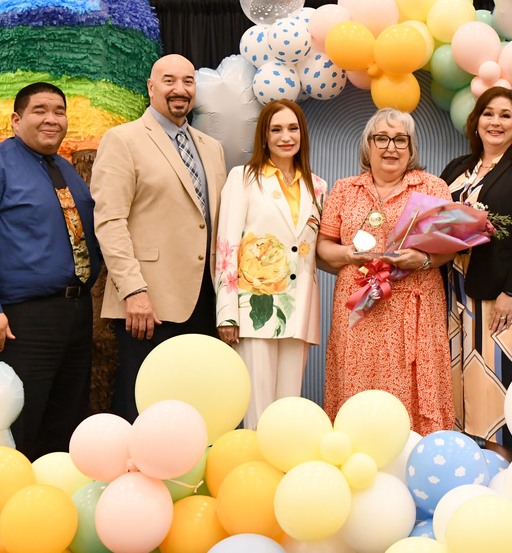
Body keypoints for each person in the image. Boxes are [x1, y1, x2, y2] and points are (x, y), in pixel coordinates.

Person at [0, 82, 102, 459]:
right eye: (40, 110)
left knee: (64, 428)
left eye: (59, 111)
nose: (52, 119)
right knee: (17, 429)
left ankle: (51, 509)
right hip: (15, 319)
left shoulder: (65, 170)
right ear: (16, 120)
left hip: (72, 315)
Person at [91, 54, 227, 421]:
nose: (179, 90)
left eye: (188, 81)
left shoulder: (210, 147)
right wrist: (134, 291)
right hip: (149, 304)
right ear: (150, 87)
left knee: (199, 409)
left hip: (205, 301)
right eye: (169, 80)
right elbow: (109, 221)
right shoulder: (122, 140)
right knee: (144, 409)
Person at [316, 108, 455, 434]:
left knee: (411, 383)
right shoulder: (345, 189)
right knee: (359, 382)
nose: (391, 148)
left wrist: (419, 260)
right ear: (368, 146)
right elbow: (323, 247)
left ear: (411, 148)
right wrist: (348, 255)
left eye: (400, 140)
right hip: (359, 308)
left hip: (414, 305)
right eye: (382, 138)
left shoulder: (432, 188)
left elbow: (450, 249)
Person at [439, 86, 512, 447]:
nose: (496, 122)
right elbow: (434, 221)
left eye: (506, 115)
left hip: (502, 295)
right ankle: (467, 456)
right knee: (460, 380)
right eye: (489, 113)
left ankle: (507, 462)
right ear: (476, 121)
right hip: (456, 291)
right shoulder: (458, 168)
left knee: (499, 384)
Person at [214, 99, 326, 429]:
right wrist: (227, 312)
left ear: (302, 134)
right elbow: (227, 247)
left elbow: (310, 249)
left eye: (292, 128)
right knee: (257, 410)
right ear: (264, 136)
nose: (285, 136)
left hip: (299, 309)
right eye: (275, 129)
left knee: (287, 412)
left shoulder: (317, 186)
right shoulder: (243, 178)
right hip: (254, 306)